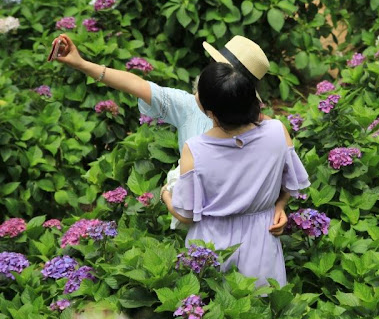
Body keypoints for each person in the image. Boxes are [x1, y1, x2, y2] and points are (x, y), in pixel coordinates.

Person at [51, 34, 287, 235]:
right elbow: (137, 85)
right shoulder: (192, 108)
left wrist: (165, 191)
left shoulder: (268, 130)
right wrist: (81, 63)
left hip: (224, 231)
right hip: (221, 231)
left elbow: (286, 176)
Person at [163, 60, 310, 288]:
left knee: (213, 312)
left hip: (211, 250)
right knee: (262, 309)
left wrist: (165, 194)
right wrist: (279, 206)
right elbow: (292, 183)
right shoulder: (277, 132)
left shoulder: (195, 149)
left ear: (210, 112)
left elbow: (186, 215)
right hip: (262, 244)